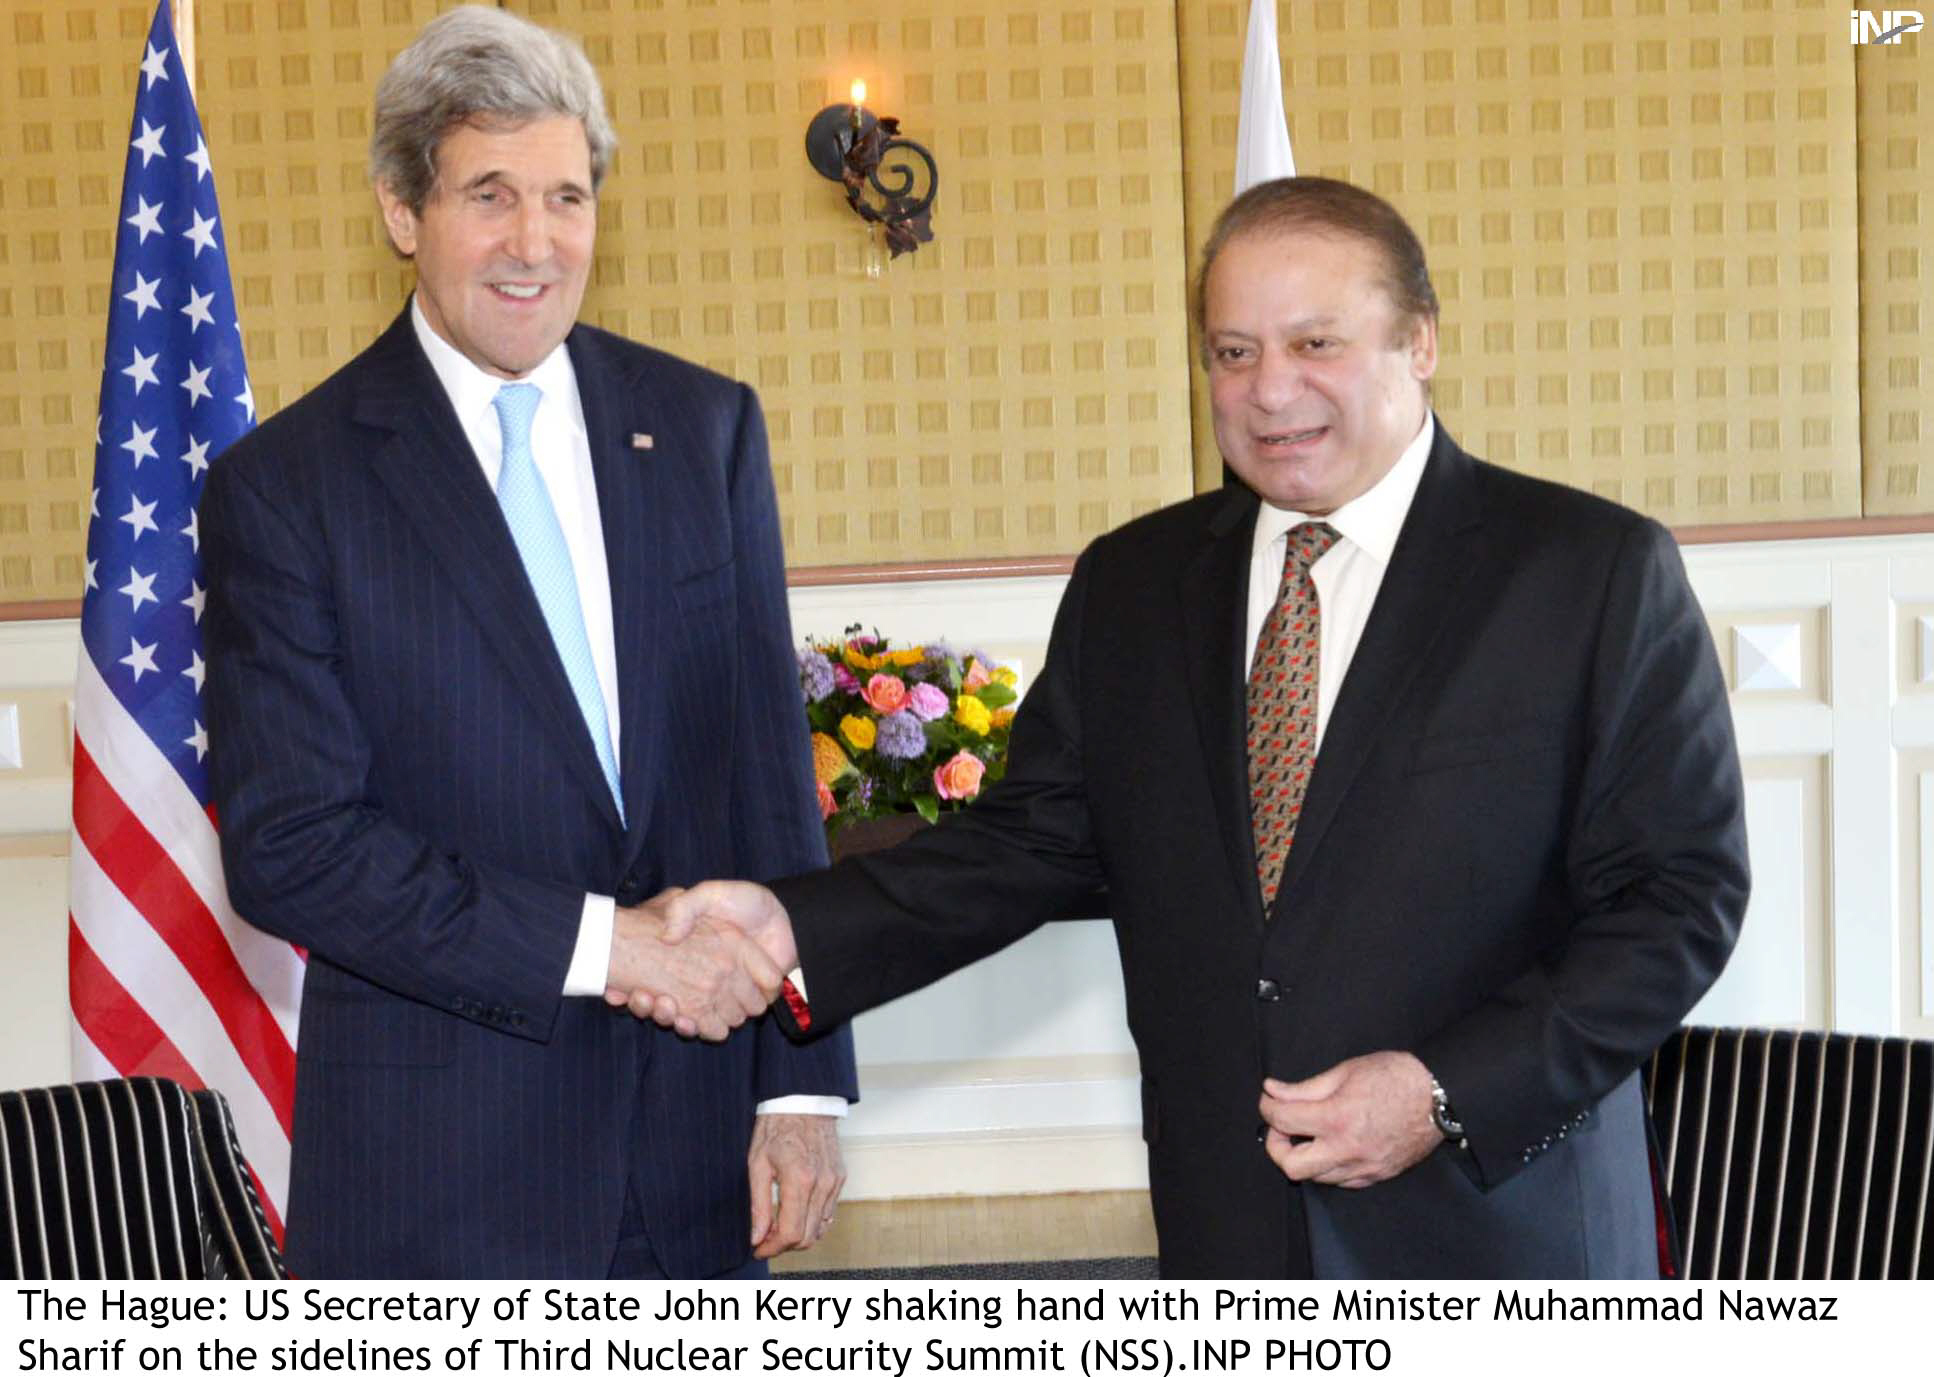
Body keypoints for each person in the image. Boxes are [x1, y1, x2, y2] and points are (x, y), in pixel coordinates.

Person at [648, 177, 1749, 1278]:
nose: (1270, 391)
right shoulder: (1135, 582)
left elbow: (1676, 901)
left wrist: (1441, 1091)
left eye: (1314, 341)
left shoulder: (1590, 571)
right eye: (1232, 353)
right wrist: (790, 926)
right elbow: (1024, 845)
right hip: (1227, 1228)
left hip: (1499, 1228)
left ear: (1417, 341)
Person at [200, 5, 854, 1279]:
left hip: (695, 1149)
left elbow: (764, 778)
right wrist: (611, 947)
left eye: (566, 195)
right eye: (488, 195)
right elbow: (291, 848)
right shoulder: (287, 485)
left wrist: (802, 1085)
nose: (534, 244)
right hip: (438, 1172)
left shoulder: (704, 428)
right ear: (403, 211)